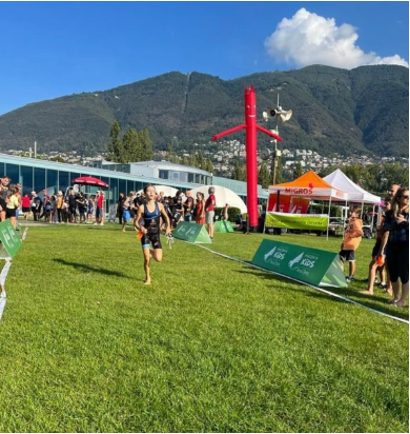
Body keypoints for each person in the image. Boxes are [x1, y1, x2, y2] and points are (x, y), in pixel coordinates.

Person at [134, 184, 172, 285]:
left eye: (153, 191)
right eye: (148, 191)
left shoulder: (160, 206)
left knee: (158, 259)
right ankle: (148, 278)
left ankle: (148, 252)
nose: (151, 192)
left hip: (155, 235)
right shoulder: (142, 208)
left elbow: (167, 217)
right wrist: (140, 227)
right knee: (146, 259)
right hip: (145, 235)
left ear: (155, 194)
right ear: (145, 194)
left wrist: (168, 227)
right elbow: (136, 222)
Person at [379, 187, 409, 307]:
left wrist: (405, 223)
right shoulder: (390, 213)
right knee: (393, 273)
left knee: (404, 273)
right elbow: (385, 228)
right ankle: (396, 297)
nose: (408, 199)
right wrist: (394, 223)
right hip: (392, 245)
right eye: (406, 197)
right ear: (398, 198)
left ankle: (403, 300)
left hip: (406, 246)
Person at [361, 198, 392, 296]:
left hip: (384, 245)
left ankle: (370, 290)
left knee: (373, 266)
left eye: (386, 204)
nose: (384, 206)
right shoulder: (385, 216)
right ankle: (389, 289)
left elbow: (386, 234)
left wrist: (381, 250)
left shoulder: (390, 217)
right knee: (387, 267)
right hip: (382, 243)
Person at [339, 207, 364, 283]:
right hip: (347, 244)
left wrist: (352, 236)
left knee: (351, 260)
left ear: (357, 214)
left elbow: (360, 233)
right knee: (339, 257)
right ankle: (340, 274)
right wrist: (343, 242)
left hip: (351, 244)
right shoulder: (351, 221)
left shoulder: (356, 222)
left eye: (352, 212)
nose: (350, 213)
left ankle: (351, 276)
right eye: (350, 212)